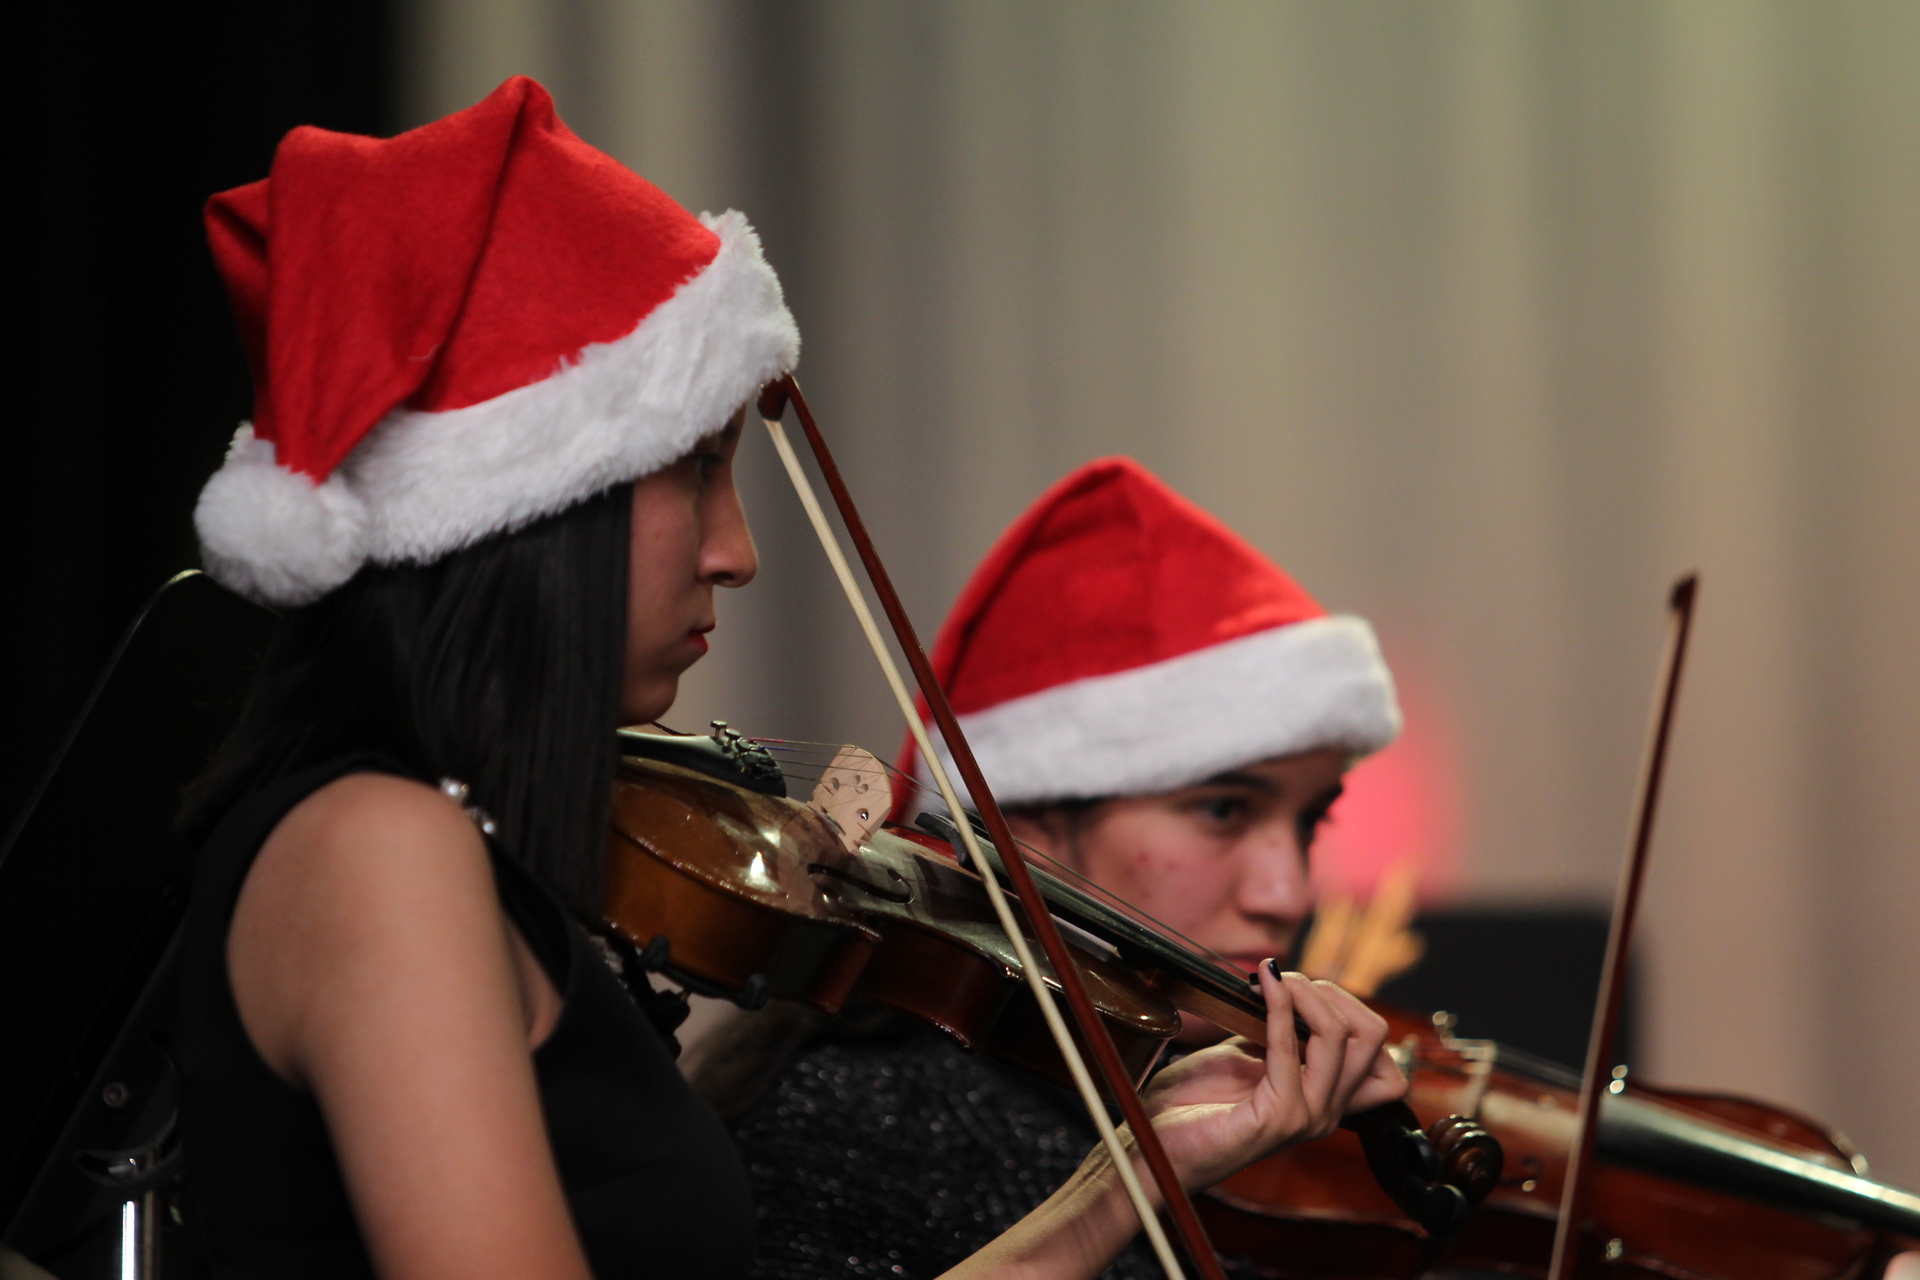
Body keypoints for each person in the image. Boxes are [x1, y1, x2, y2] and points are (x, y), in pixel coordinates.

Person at [170, 77, 1404, 1280]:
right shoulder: (379, 845)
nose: (739, 551)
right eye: (698, 466)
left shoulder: (464, 850)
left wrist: (1134, 1174)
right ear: (533, 504)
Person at [727, 457, 1403, 1279]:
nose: (1287, 893)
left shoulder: (1234, 1113)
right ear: (1022, 823)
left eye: (1309, 819)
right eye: (1223, 810)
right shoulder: (849, 1128)